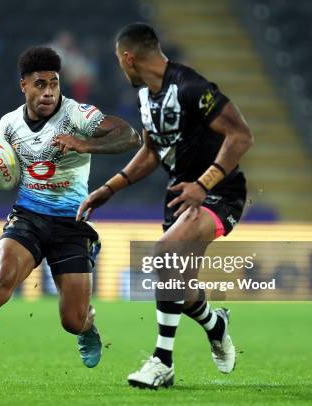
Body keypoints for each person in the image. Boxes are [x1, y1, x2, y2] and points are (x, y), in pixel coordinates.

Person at [0, 46, 141, 387]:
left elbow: (129, 136)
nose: (49, 91)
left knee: (72, 320)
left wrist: (87, 145)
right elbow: (10, 177)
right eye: (40, 84)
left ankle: (88, 324)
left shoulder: (77, 115)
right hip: (29, 217)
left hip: (71, 223)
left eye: (54, 83)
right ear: (23, 85)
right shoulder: (7, 125)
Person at [77, 23, 254, 389]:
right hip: (180, 196)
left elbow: (241, 135)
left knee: (165, 254)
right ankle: (215, 324)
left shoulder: (191, 88)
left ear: (128, 58)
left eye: (118, 61)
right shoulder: (147, 97)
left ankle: (162, 361)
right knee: (178, 284)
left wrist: (205, 184)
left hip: (219, 194)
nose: (119, 68)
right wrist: (108, 189)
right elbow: (152, 151)